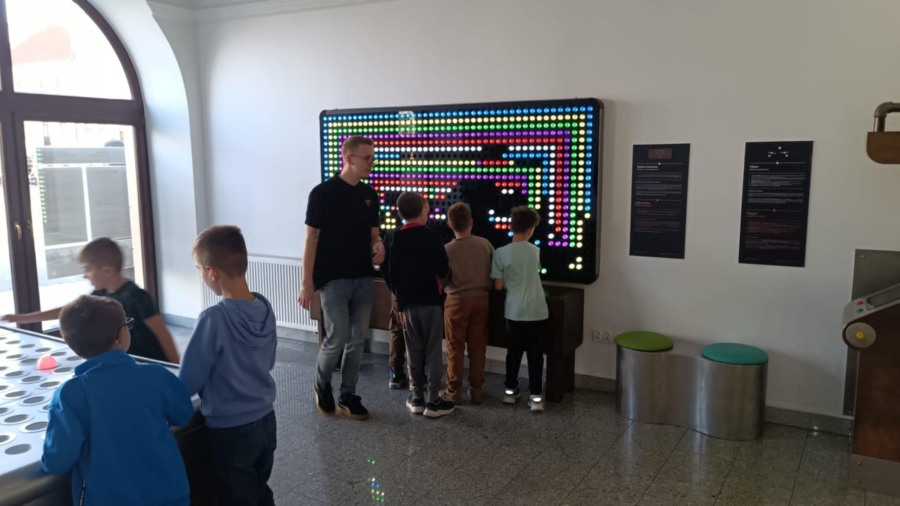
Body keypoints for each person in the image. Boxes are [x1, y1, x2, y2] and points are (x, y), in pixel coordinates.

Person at [42, 295, 193, 505]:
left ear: (69, 342)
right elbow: (183, 414)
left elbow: (57, 460)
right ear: (122, 334)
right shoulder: (156, 376)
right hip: (169, 496)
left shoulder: (70, 394)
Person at [180, 225, 278, 506]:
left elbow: (188, 382)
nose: (201, 276)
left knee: (236, 497)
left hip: (230, 430)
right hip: (266, 421)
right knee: (259, 489)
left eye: (199, 270)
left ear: (211, 272)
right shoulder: (265, 307)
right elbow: (269, 360)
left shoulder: (213, 319)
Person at [298, 135, 384, 421]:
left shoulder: (369, 194)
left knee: (357, 339)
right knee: (337, 337)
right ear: (348, 158)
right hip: (332, 278)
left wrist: (379, 245)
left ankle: (348, 394)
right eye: (367, 158)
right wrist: (307, 283)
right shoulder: (322, 194)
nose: (371, 163)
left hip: (362, 276)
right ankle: (321, 384)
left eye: (372, 158)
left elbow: (374, 234)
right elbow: (311, 239)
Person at [1, 237, 180, 363]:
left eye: (87, 269)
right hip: (127, 362)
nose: (85, 275)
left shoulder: (136, 297)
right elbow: (68, 311)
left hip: (152, 364)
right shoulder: (100, 294)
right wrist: (23, 318)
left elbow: (162, 334)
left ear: (106, 271)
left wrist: (177, 366)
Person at [386, 192, 455, 418]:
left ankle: (416, 397)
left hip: (407, 304)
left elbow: (391, 275)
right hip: (431, 301)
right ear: (424, 211)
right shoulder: (432, 236)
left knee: (413, 350)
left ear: (399, 214)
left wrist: (399, 303)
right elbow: (443, 268)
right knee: (433, 350)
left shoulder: (395, 238)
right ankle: (433, 399)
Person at [491, 206, 549, 412]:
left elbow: (498, 286)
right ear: (531, 229)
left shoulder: (500, 253)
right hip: (537, 309)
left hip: (514, 310)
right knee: (536, 354)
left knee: (514, 352)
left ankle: (510, 391)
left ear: (511, 226)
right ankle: (536, 397)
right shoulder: (535, 251)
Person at [441, 202, 494, 405]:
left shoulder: (447, 250)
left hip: (456, 301)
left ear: (449, 224)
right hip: (481, 300)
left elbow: (442, 278)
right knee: (478, 346)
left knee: (455, 347)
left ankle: (453, 390)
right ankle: (476, 390)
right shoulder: (485, 244)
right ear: (471, 222)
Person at [381, 229, 408, 390]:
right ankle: (419, 376)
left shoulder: (392, 236)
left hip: (398, 290)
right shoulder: (427, 234)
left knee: (397, 330)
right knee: (419, 332)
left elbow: (384, 264)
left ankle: (395, 373)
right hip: (422, 293)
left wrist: (392, 287)